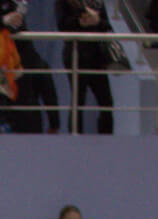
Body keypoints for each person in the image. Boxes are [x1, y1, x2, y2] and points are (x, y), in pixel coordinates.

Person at [0, 0, 60, 132]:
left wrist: (54, 124)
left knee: (29, 115)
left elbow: (12, 27)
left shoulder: (14, 5)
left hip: (22, 77)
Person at [56, 0, 114, 135]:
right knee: (78, 100)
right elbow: (62, 26)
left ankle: (107, 139)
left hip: (97, 56)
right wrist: (81, 22)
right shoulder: (64, 2)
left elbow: (107, 25)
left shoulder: (97, 2)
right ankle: (75, 139)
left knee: (106, 101)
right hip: (76, 55)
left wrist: (97, 21)